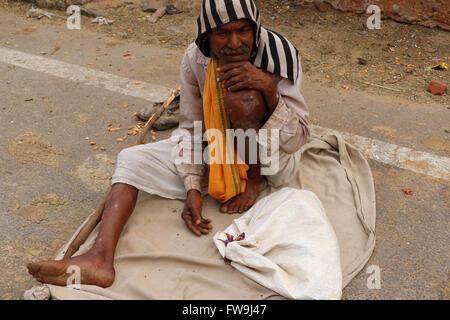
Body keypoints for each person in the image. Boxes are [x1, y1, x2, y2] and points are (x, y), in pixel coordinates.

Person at [26, 0, 310, 288]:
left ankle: (252, 180)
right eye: (222, 33)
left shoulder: (279, 54)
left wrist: (268, 89)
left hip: (272, 159)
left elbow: (298, 138)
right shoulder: (195, 58)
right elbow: (191, 128)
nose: (234, 43)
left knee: (244, 97)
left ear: (255, 29)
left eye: (243, 31)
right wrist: (193, 187)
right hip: (217, 150)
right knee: (131, 160)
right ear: (207, 36)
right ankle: (100, 259)